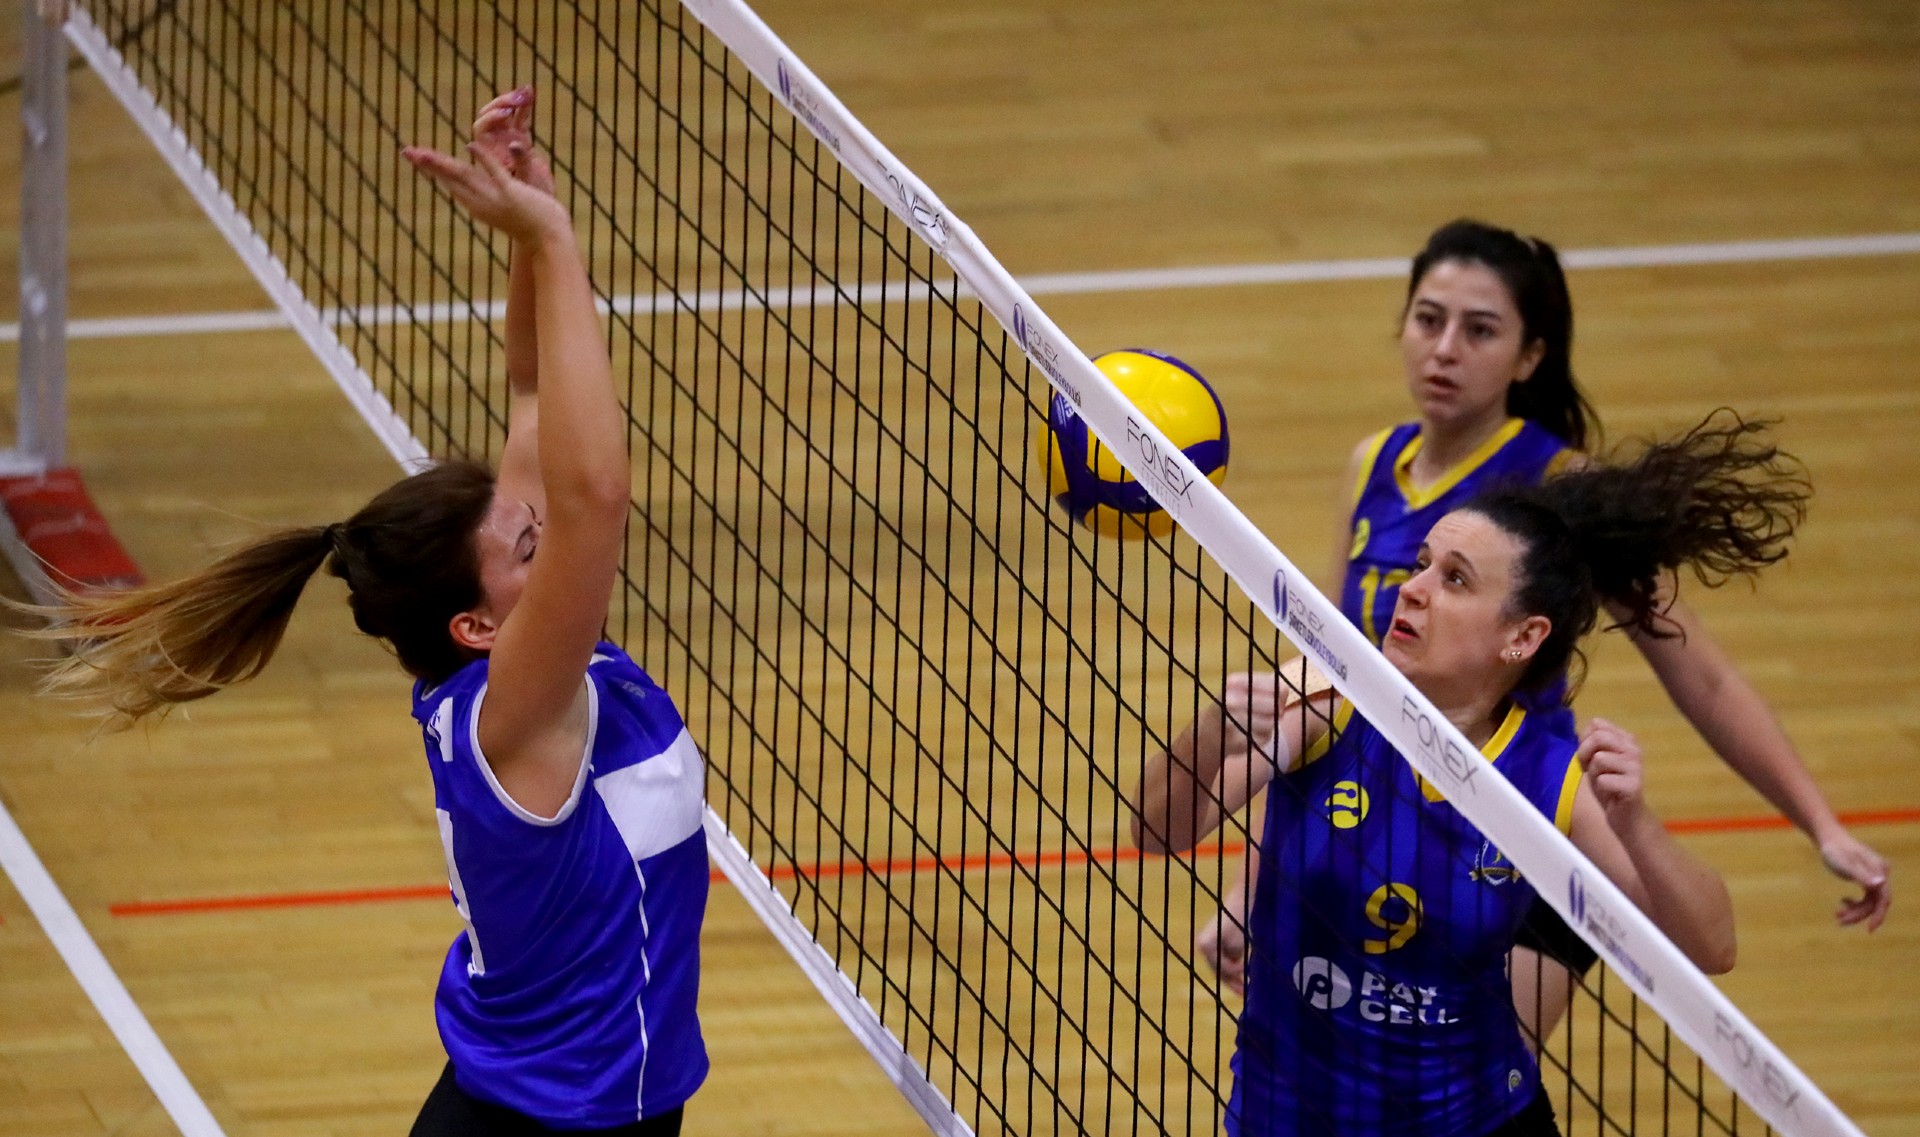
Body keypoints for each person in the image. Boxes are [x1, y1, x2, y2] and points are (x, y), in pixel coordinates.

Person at [19, 89, 705, 1136]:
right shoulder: (519, 712)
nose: (548, 532)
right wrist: (557, 244)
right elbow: (597, 497)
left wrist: (532, 225)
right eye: (529, 545)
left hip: (550, 1108)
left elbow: (533, 396)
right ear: (476, 626)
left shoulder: (511, 666)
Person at [1198, 219, 1890, 1042]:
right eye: (1429, 319)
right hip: (1381, 818)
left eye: (1480, 330)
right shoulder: (1372, 463)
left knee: (1466, 1076)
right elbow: (1326, 683)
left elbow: (1704, 676)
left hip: (1525, 838)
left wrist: (1822, 823)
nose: (1445, 350)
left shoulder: (1562, 486)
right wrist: (1253, 880)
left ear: (1529, 357)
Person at [1130, 414, 1806, 1135]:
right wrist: (1208, 736)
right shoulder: (1328, 697)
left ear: (1522, 636)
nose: (1412, 589)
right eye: (1421, 563)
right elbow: (1156, 830)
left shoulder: (1545, 775)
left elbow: (1713, 946)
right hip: (1286, 1120)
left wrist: (1635, 822)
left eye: (1454, 579)